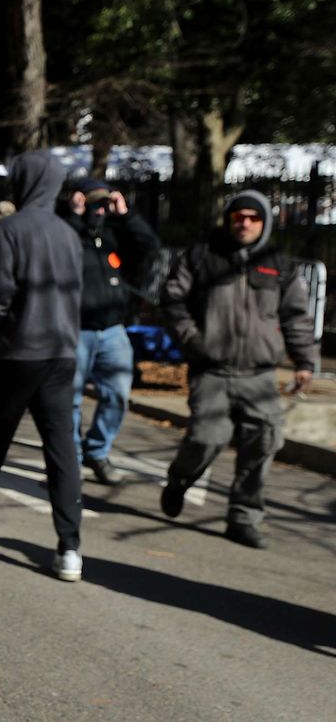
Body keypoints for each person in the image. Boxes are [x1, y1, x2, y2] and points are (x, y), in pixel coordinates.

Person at [0, 151, 85, 582]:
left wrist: (0, 329)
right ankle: (70, 547)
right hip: (62, 353)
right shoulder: (70, 234)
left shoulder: (10, 228)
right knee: (61, 450)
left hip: (17, 352)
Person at [159, 190, 317, 549]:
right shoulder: (202, 255)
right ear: (229, 219)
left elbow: (295, 316)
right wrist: (194, 340)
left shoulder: (278, 263)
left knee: (263, 441)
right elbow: (173, 299)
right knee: (206, 439)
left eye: (253, 217)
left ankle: (244, 517)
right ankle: (180, 479)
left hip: (259, 373)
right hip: (212, 370)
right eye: (238, 216)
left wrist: (304, 360)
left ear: (264, 222)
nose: (244, 223)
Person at [62, 178, 160, 485]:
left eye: (105, 203)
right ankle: (72, 461)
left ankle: (97, 451)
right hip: (76, 329)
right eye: (95, 203)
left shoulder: (114, 233)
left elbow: (151, 248)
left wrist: (126, 214)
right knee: (71, 400)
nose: (100, 209)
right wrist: (75, 215)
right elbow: (59, 248)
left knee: (117, 395)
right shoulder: (70, 232)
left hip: (114, 330)